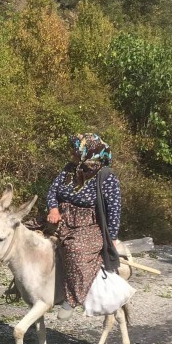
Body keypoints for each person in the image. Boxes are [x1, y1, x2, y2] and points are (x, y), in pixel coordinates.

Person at [47, 133, 121, 320]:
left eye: (76, 149)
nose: (72, 152)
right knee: (26, 232)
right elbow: (53, 190)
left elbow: (114, 209)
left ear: (89, 152)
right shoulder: (70, 169)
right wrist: (53, 208)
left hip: (87, 225)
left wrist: (111, 238)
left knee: (75, 249)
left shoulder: (107, 177)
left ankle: (71, 298)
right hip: (61, 218)